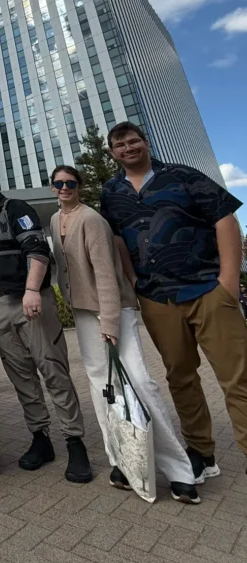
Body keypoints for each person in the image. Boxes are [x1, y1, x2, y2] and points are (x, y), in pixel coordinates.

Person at [100, 122, 247, 482]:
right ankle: (201, 453)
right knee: (180, 378)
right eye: (120, 145)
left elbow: (225, 220)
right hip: (157, 298)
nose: (128, 148)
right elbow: (118, 238)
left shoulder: (181, 175)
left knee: (237, 379)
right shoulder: (110, 191)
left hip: (207, 290)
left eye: (134, 140)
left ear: (146, 143)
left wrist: (228, 283)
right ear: (113, 153)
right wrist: (134, 280)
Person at [50, 166, 199, 503]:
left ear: (79, 186)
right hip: (84, 313)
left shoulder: (91, 220)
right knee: (102, 386)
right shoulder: (55, 220)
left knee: (139, 382)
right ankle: (122, 459)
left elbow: (105, 272)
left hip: (111, 310)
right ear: (52, 187)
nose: (64, 188)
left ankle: (179, 470)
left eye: (70, 183)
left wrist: (110, 322)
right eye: (58, 183)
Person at [0, 169, 92, 483]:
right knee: (20, 374)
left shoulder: (15, 209)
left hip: (29, 301)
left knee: (52, 368)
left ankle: (75, 441)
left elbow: (37, 250)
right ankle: (41, 438)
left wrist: (33, 290)